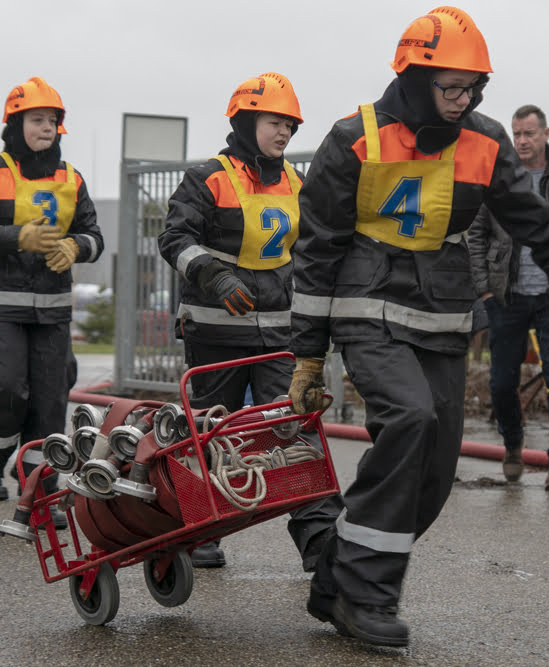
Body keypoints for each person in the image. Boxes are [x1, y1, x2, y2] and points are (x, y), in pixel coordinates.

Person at [286, 6, 549, 647]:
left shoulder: (486, 140)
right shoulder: (352, 138)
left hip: (442, 315)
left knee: (437, 463)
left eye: (472, 88)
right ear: (414, 77)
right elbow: (316, 251)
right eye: (450, 87)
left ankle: (338, 571)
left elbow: (541, 227)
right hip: (366, 308)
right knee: (410, 420)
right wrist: (307, 359)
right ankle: (364, 597)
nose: (462, 100)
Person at [157, 72, 342, 570]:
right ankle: (201, 532)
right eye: (274, 122)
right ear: (245, 121)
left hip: (279, 335)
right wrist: (214, 276)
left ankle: (321, 539)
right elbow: (174, 238)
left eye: (290, 125)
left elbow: (310, 252)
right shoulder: (207, 178)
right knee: (210, 433)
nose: (284, 133)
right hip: (215, 332)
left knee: (293, 427)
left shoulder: (297, 184)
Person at [0, 76, 103, 526]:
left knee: (48, 403)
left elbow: (95, 235)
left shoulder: (72, 178)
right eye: (38, 120)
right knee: (4, 388)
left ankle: (38, 493)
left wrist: (76, 247)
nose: (47, 127)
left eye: (54, 121)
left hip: (52, 309)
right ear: (16, 124)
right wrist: (16, 236)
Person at [469, 104, 549, 492]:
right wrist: (486, 289)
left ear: (545, 134)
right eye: (517, 134)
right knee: (500, 383)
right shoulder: (499, 177)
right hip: (506, 298)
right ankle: (513, 444)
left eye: (529, 133)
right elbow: (476, 235)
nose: (522, 141)